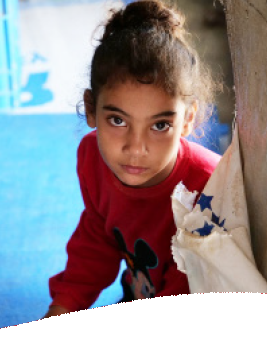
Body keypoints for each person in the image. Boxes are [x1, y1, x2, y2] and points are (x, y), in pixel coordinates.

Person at [44, 0, 221, 318]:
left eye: (160, 125)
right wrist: (63, 307)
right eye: (118, 121)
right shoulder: (93, 158)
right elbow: (97, 240)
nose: (136, 148)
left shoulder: (208, 187)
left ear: (188, 118)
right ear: (90, 109)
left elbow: (188, 295)